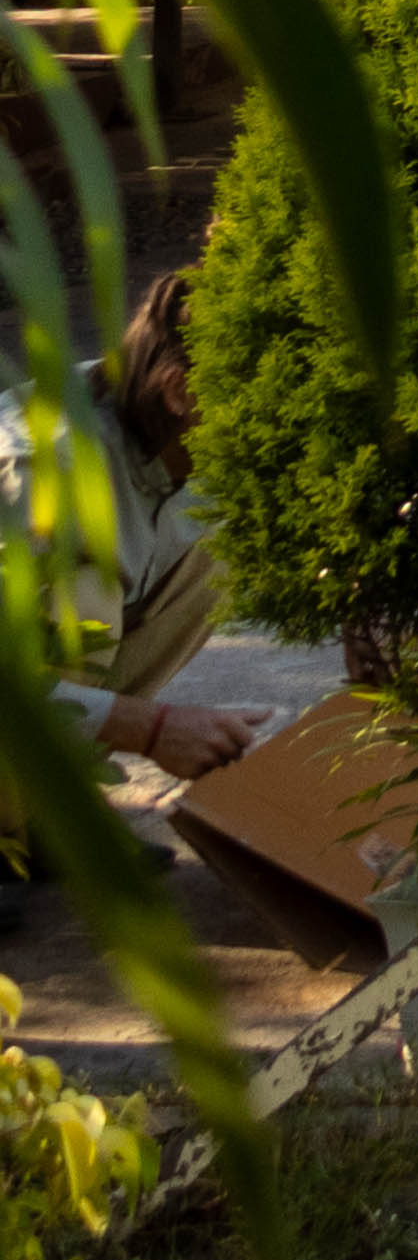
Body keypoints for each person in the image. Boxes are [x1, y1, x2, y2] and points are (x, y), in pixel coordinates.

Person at [1, 267, 265, 925]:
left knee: (228, 536)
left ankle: (44, 814)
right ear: (180, 391)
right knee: (84, 573)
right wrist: (149, 729)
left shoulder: (166, 436)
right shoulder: (50, 468)